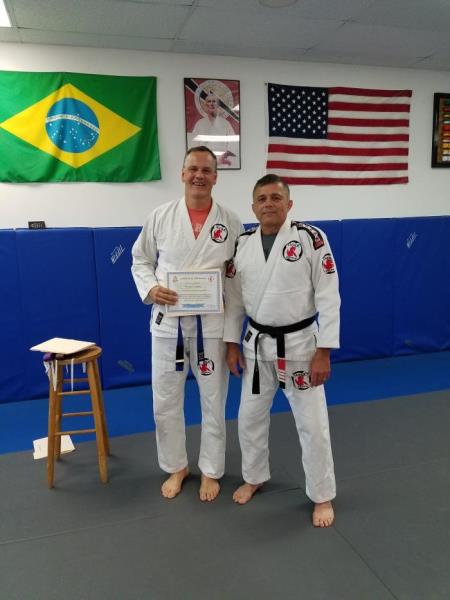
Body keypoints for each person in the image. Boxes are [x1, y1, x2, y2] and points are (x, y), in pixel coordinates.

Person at [224, 174, 340, 527]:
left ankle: (322, 495)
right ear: (253, 207)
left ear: (289, 204)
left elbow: (329, 297)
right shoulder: (243, 244)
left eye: (276, 197)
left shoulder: (310, 238)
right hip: (257, 346)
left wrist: (324, 351)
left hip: (300, 346)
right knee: (249, 417)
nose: (269, 204)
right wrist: (231, 344)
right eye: (262, 199)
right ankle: (254, 476)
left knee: (312, 424)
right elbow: (234, 301)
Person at [131, 146, 242, 502]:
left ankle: (211, 469)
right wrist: (151, 288)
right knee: (165, 400)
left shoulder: (231, 222)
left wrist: (233, 337)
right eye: (193, 168)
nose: (199, 175)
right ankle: (176, 466)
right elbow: (139, 260)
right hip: (168, 326)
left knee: (214, 400)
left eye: (206, 170)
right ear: (182, 173)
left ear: (215, 177)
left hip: (212, 326)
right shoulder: (160, 216)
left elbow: (236, 280)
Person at [191, 93, 238, 168]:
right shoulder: (199, 124)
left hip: (222, 162)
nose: (211, 103)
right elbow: (194, 145)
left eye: (214, 101)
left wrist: (224, 157)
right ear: (205, 105)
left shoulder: (225, 124)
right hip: (204, 163)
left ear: (218, 105)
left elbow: (233, 143)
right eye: (209, 101)